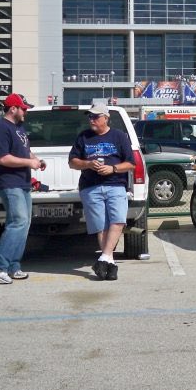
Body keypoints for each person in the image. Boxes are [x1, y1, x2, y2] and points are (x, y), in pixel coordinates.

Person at [68, 105, 135, 281]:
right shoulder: (83, 137)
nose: (91, 120)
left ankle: (104, 258)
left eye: (95, 117)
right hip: (91, 187)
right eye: (90, 117)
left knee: (118, 221)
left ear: (105, 118)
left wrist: (112, 168)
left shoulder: (119, 136)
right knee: (101, 226)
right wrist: (88, 164)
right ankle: (109, 263)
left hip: (116, 185)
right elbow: (72, 162)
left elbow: (130, 164)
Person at [0, 93, 44, 284]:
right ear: (13, 109)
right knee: (17, 222)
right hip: (9, 183)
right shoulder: (1, 129)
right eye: (23, 108)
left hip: (22, 182)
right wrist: (29, 162)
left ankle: (13, 266)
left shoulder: (18, 127)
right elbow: (3, 158)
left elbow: (25, 150)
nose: (26, 111)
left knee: (24, 224)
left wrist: (35, 160)